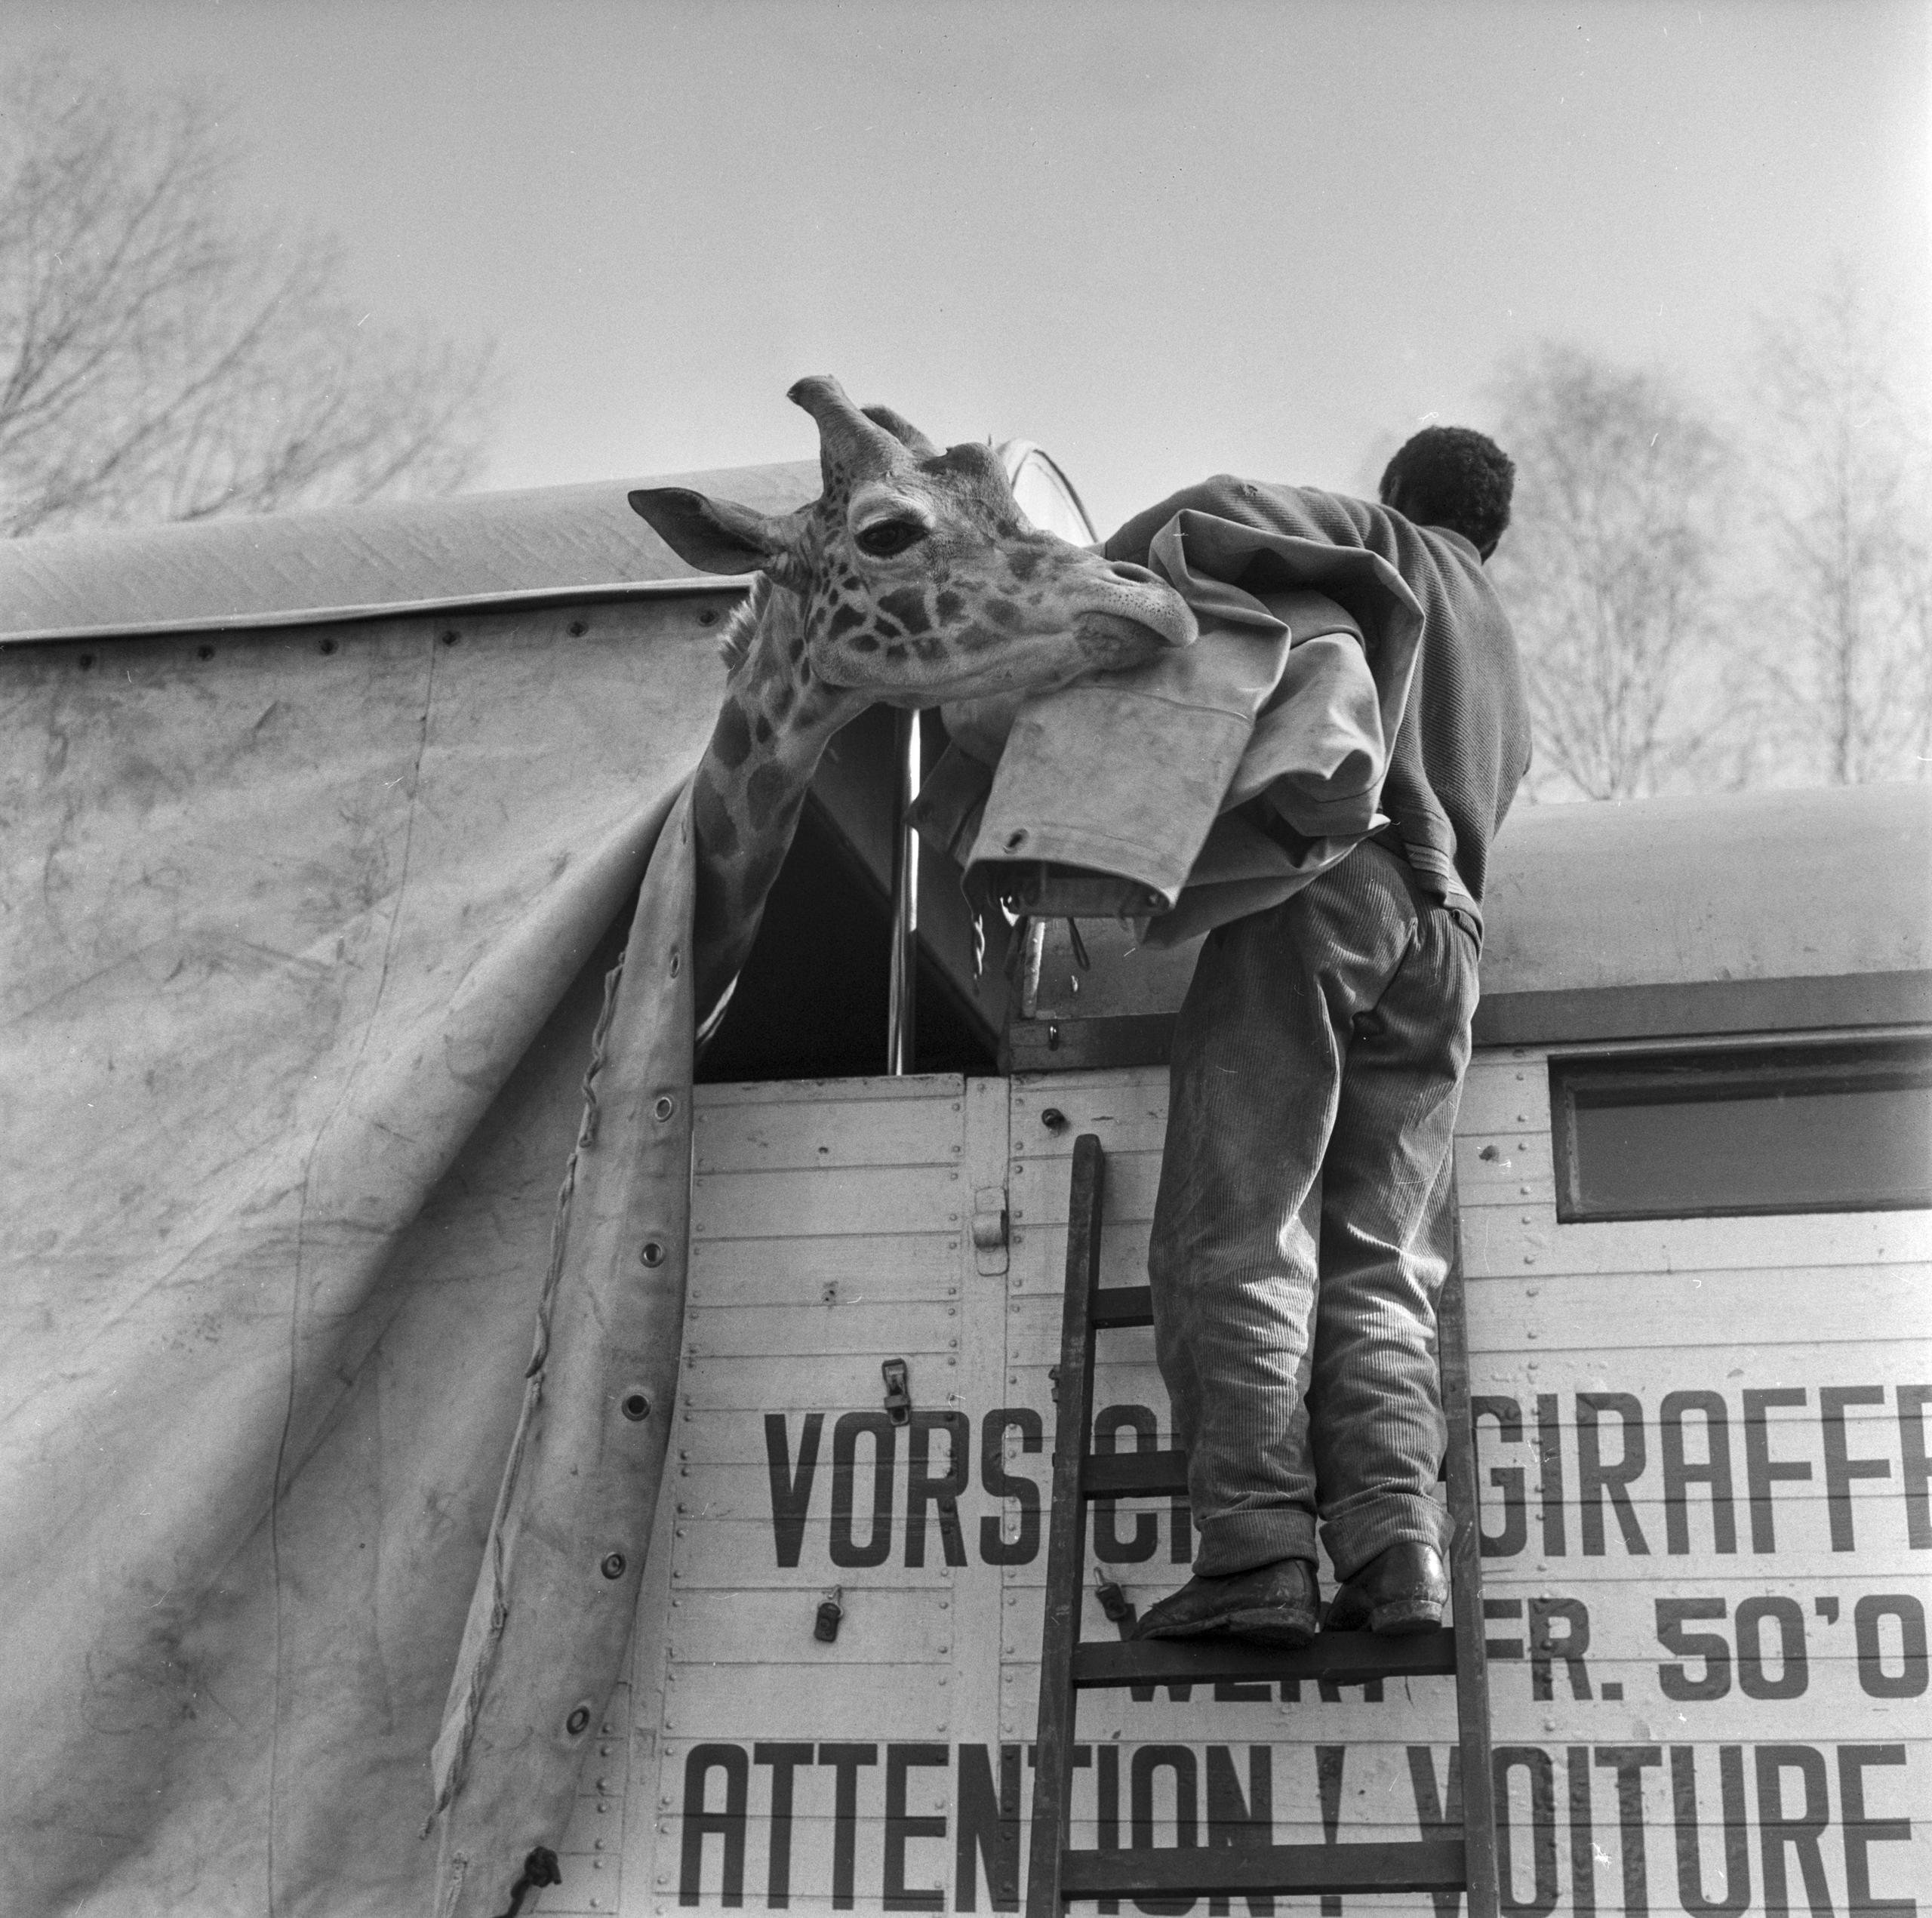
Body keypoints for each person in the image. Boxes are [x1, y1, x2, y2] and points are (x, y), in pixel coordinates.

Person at [1115, 426, 1532, 1646]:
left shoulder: (1389, 540)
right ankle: (1398, 1550)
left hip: (1337, 883)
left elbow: (1223, 501)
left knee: (1240, 1213)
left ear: (1402, 492)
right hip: (1450, 935)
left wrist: (1098, 575)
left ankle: (1252, 1552)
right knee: (1383, 1263)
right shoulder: (1505, 662)